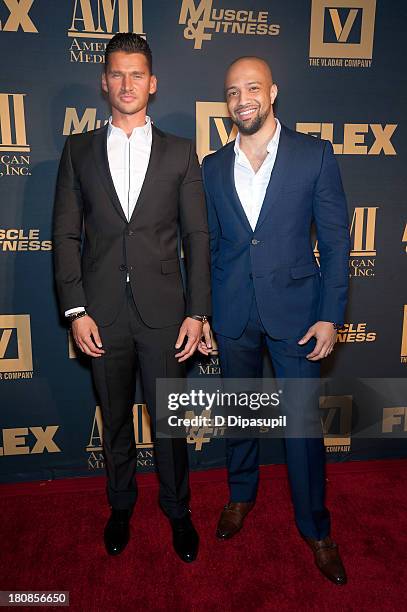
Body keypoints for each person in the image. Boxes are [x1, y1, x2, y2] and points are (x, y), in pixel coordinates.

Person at [53, 33, 211, 563]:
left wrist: (198, 311)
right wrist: (75, 310)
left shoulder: (180, 151)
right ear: (105, 82)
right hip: (100, 314)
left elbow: (197, 238)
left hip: (166, 314)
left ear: (153, 83)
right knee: (114, 417)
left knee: (169, 424)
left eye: (137, 74)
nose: (127, 84)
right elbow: (67, 235)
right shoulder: (77, 150)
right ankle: (120, 505)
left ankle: (177, 510)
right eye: (117, 74)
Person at [200, 56, 350, 585]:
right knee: (239, 413)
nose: (243, 98)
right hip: (234, 313)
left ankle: (315, 527)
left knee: (303, 428)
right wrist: (210, 315)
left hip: (298, 315)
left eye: (253, 88)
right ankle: (240, 495)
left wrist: (331, 317)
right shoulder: (212, 166)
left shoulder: (315, 155)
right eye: (233, 90)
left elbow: (334, 244)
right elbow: (214, 245)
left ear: (273, 92)